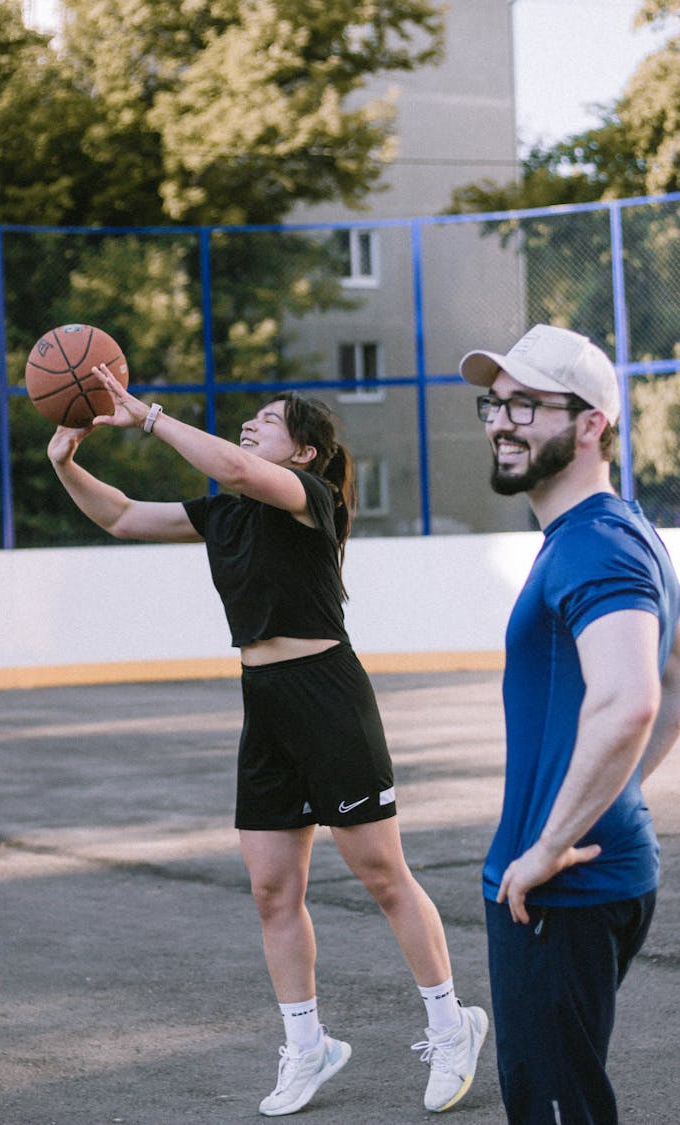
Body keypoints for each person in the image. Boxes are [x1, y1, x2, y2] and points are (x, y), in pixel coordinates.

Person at [47, 367, 488, 1117]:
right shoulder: (227, 515)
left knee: (383, 875)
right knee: (272, 889)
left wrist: (148, 417)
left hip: (328, 694)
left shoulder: (309, 501)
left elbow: (236, 465)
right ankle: (308, 1045)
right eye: (249, 415)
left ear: (305, 454)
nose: (251, 423)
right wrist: (66, 461)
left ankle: (452, 1026)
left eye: (268, 418)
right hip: (266, 701)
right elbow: (121, 516)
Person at [458, 323, 680, 1124]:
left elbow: (633, 699)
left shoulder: (595, 545)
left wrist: (549, 844)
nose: (501, 420)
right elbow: (675, 678)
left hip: (562, 887)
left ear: (593, 424)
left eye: (528, 404)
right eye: (496, 402)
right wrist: (609, 795)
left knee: (557, 1107)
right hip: (591, 870)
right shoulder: (621, 533)